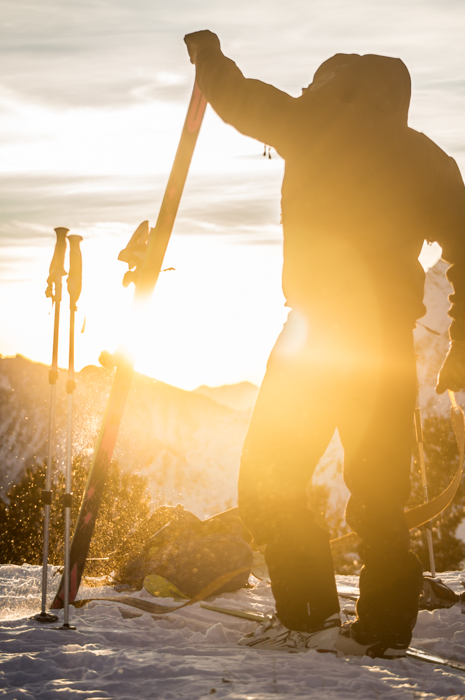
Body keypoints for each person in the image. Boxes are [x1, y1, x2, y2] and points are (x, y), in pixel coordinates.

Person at [184, 30, 465, 657]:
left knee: (270, 480)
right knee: (380, 500)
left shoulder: (308, 122)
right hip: (384, 347)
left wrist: (208, 56)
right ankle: (384, 632)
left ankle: (309, 616)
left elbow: (239, 97)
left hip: (313, 340)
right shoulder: (426, 158)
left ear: (330, 85)